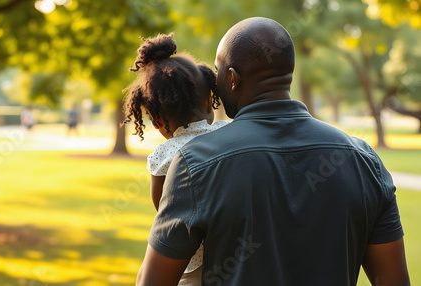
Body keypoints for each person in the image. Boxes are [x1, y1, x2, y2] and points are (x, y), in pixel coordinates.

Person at [136, 17, 410, 286]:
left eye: (218, 71)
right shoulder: (365, 161)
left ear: (231, 78)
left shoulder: (194, 164)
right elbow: (393, 279)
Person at [123, 33, 228, 285]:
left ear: (157, 121)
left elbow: (163, 209)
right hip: (229, 244)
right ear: (208, 99)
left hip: (188, 259)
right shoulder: (227, 134)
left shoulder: (164, 155)